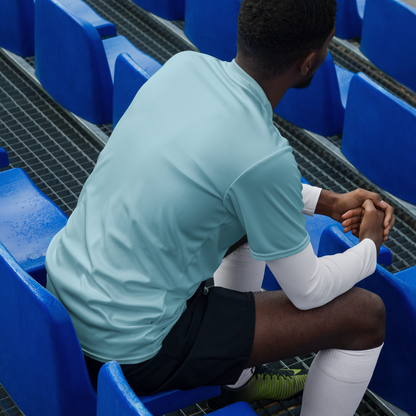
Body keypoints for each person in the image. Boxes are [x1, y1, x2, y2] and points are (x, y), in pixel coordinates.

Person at [45, 0, 395, 415]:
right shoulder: (264, 155)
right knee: (364, 316)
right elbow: (308, 290)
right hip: (132, 347)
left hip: (66, 304)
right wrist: (369, 248)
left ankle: (238, 384)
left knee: (246, 224)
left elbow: (230, 179)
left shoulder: (183, 68)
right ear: (309, 62)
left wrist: (328, 202)